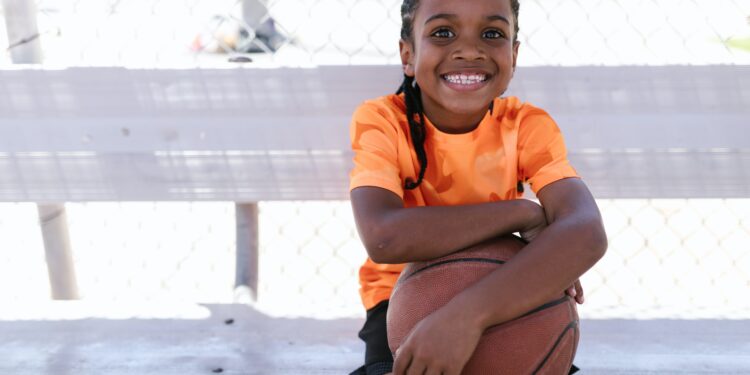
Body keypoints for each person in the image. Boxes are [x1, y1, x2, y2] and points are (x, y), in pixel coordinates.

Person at [347, 0, 608, 374]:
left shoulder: (526, 126)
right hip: (401, 298)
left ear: (513, 56)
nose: (470, 50)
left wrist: (465, 317)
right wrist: (522, 213)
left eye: (492, 34)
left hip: (503, 287)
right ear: (408, 54)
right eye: (442, 32)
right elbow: (383, 237)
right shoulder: (384, 121)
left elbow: (586, 232)